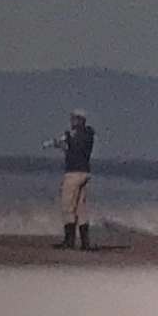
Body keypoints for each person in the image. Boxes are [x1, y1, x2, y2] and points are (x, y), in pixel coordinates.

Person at [53, 107, 96, 250]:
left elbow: (75, 147)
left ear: (79, 120)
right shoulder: (88, 135)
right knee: (80, 207)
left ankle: (69, 241)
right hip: (84, 171)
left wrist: (66, 140)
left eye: (74, 118)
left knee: (68, 205)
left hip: (74, 172)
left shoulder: (79, 135)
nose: (71, 121)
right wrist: (64, 146)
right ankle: (85, 242)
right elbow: (76, 150)